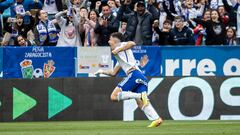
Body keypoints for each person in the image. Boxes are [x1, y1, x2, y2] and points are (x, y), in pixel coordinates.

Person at [95, 32, 163, 127]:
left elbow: (132, 43)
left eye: (110, 39)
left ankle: (139, 95)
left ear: (115, 41)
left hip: (134, 74)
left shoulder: (121, 45)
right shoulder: (120, 58)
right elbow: (113, 73)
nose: (108, 41)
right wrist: (102, 71)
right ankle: (157, 119)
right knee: (141, 103)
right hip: (140, 77)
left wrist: (118, 49)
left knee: (114, 96)